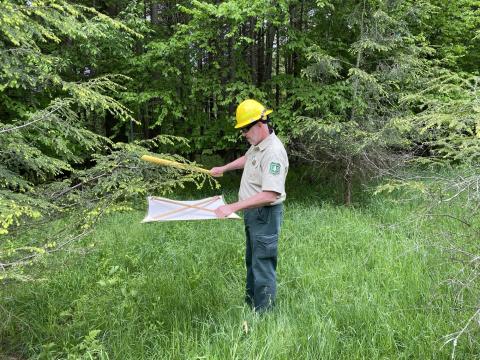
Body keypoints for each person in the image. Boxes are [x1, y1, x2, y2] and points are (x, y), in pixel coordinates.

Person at [210, 99, 288, 313]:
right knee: (252, 261)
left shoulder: (273, 152)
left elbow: (270, 194)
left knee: (262, 264)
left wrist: (232, 207)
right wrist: (224, 168)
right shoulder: (257, 146)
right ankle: (251, 304)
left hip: (265, 215)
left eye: (245, 128)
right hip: (254, 215)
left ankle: (264, 315)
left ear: (260, 124)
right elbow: (247, 159)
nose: (243, 133)